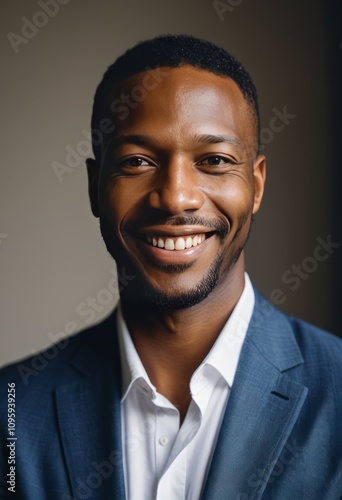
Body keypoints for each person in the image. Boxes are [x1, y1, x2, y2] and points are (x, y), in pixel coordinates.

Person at [0, 34, 341, 500]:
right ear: (94, 187)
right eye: (137, 161)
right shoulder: (13, 409)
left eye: (214, 161)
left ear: (256, 185)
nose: (176, 196)